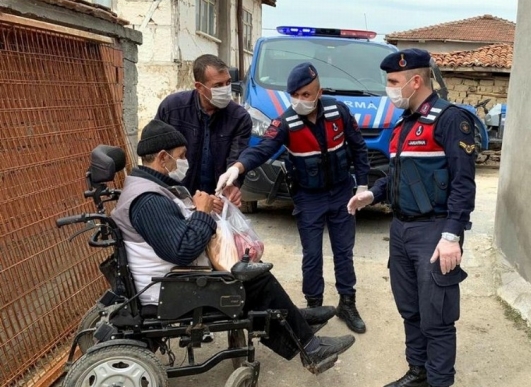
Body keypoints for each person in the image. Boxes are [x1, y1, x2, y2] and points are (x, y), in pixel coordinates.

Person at [111, 119, 355, 373]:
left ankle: (294, 321)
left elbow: (173, 232)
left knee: (251, 271)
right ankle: (310, 348)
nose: (184, 162)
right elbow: (182, 250)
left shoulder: (147, 186)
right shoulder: (148, 199)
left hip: (169, 280)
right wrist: (202, 214)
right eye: (180, 156)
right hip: (169, 291)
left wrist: (200, 209)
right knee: (256, 279)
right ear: (162, 157)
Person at [347, 49, 476, 387]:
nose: (388, 89)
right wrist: (373, 193)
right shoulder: (405, 123)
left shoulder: (450, 120)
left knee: (437, 318)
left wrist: (452, 237)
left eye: (393, 82)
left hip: (434, 232)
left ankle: (438, 381)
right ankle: (418, 371)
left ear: (415, 81)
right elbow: (397, 174)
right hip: (401, 229)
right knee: (411, 310)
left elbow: (463, 184)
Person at [216, 62, 370, 334]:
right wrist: (237, 167)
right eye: (294, 95)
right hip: (309, 197)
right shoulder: (286, 121)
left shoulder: (339, 112)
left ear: (319, 92)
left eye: (306, 95)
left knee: (344, 252)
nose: (300, 101)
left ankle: (348, 303)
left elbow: (358, 147)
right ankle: (314, 308)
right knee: (312, 255)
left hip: (341, 193)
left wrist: (363, 186)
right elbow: (263, 148)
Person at [156, 54, 251, 206]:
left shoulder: (239, 118)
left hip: (215, 200)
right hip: (174, 198)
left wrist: (230, 187)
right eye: (218, 85)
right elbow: (155, 154)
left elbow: (236, 158)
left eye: (228, 83)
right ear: (199, 87)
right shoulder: (172, 108)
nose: (225, 89)